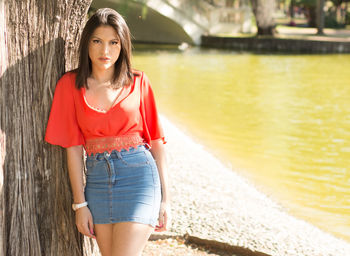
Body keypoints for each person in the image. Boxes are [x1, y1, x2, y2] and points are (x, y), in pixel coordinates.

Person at [44, 8, 170, 256]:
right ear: (86, 43)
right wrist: (80, 204)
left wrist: (167, 200)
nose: (105, 51)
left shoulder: (138, 82)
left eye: (114, 43)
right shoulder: (69, 85)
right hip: (98, 182)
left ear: (122, 45)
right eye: (97, 41)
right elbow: (73, 148)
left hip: (139, 179)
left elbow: (156, 142)